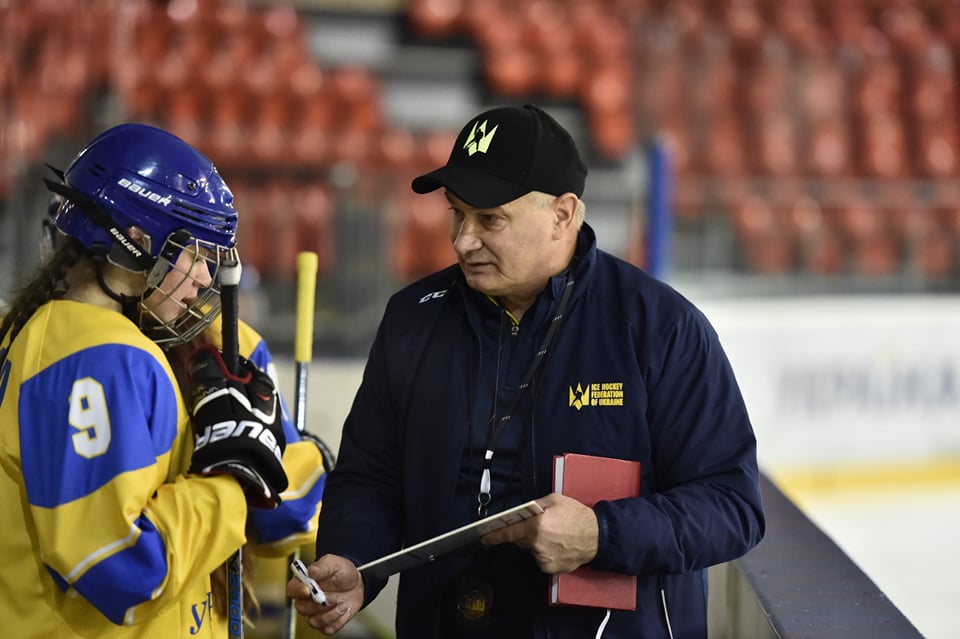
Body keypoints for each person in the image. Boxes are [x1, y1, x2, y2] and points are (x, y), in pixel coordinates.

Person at [288, 103, 765, 638]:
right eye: (457, 213)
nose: (463, 240)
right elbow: (370, 476)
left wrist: (602, 534)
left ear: (563, 214)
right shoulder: (412, 318)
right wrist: (355, 561)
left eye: (490, 219)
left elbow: (731, 505)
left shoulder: (660, 328)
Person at [0, 123, 326, 637]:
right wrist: (231, 483)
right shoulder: (99, 356)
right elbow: (117, 570)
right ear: (135, 241)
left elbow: (281, 518)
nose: (204, 278)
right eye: (195, 252)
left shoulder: (45, 331)